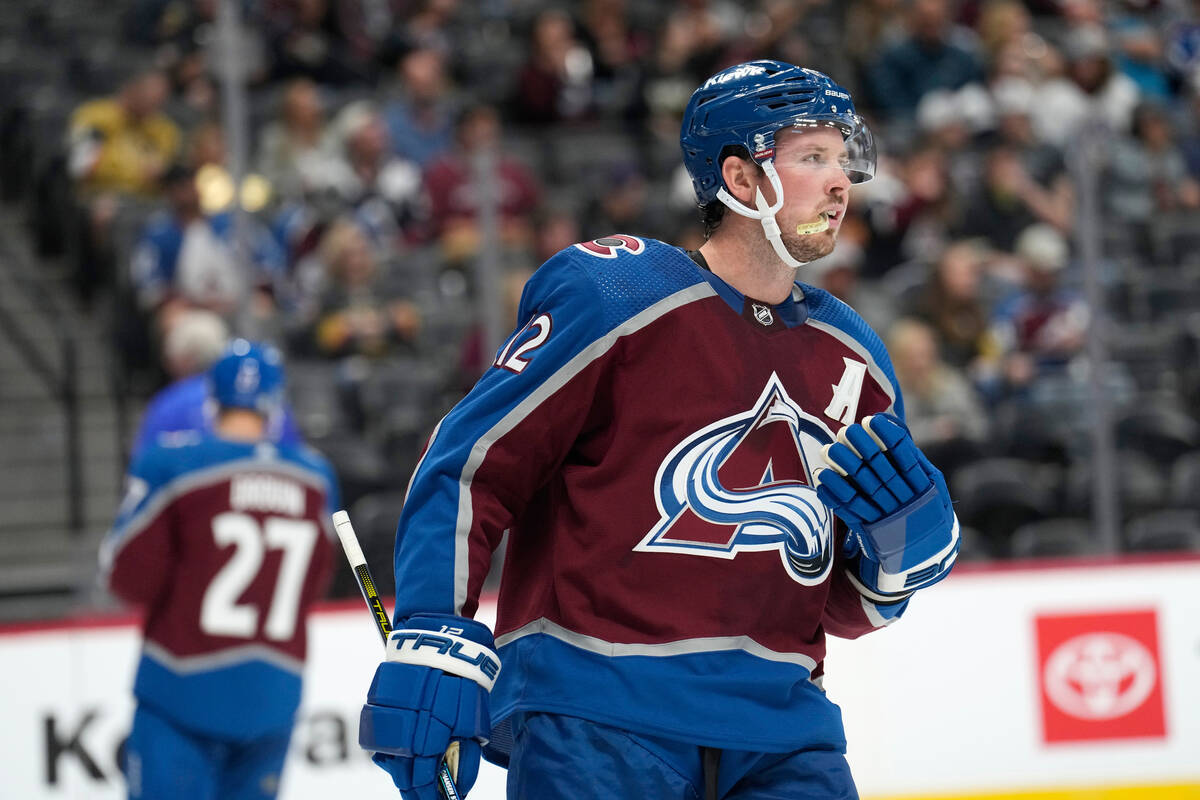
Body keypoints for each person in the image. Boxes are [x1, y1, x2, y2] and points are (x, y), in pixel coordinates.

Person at [358, 60, 960, 800]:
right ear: (741, 181)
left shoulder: (856, 358)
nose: (842, 182)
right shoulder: (619, 294)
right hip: (598, 719)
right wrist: (432, 629)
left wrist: (892, 565)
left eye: (844, 158)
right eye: (812, 157)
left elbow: (833, 601)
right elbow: (472, 462)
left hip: (785, 734)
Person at [100, 340, 340, 800]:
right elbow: (316, 581)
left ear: (212, 399)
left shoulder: (173, 466)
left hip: (180, 687)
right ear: (275, 405)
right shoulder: (314, 479)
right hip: (274, 693)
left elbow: (125, 574)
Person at [131, 311, 303, 459]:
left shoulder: (167, 403)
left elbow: (143, 465)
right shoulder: (277, 406)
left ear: (182, 360)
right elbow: (295, 462)